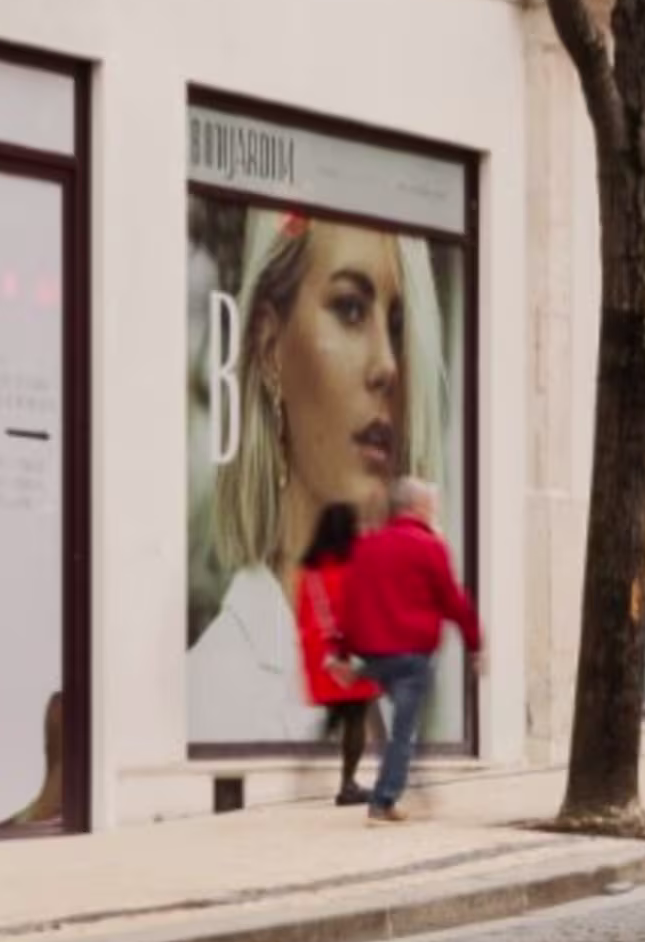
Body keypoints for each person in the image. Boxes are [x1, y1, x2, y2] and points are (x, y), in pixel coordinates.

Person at [184, 211, 447, 747]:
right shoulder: (211, 694)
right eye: (351, 308)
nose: (388, 366)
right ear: (269, 345)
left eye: (398, 325)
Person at [341, 476, 481, 821]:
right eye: (431, 506)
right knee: (405, 731)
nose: (435, 512)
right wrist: (475, 644)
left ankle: (360, 673)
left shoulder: (368, 545)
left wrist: (341, 650)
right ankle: (383, 801)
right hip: (411, 657)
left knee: (396, 725)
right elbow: (455, 601)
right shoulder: (429, 546)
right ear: (417, 507)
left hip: (375, 653)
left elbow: (351, 602)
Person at [288, 502, 379, 804]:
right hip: (353, 653)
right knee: (355, 716)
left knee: (337, 714)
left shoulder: (310, 570)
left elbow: (303, 616)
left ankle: (310, 765)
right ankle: (347, 783)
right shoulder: (358, 563)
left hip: (323, 656)